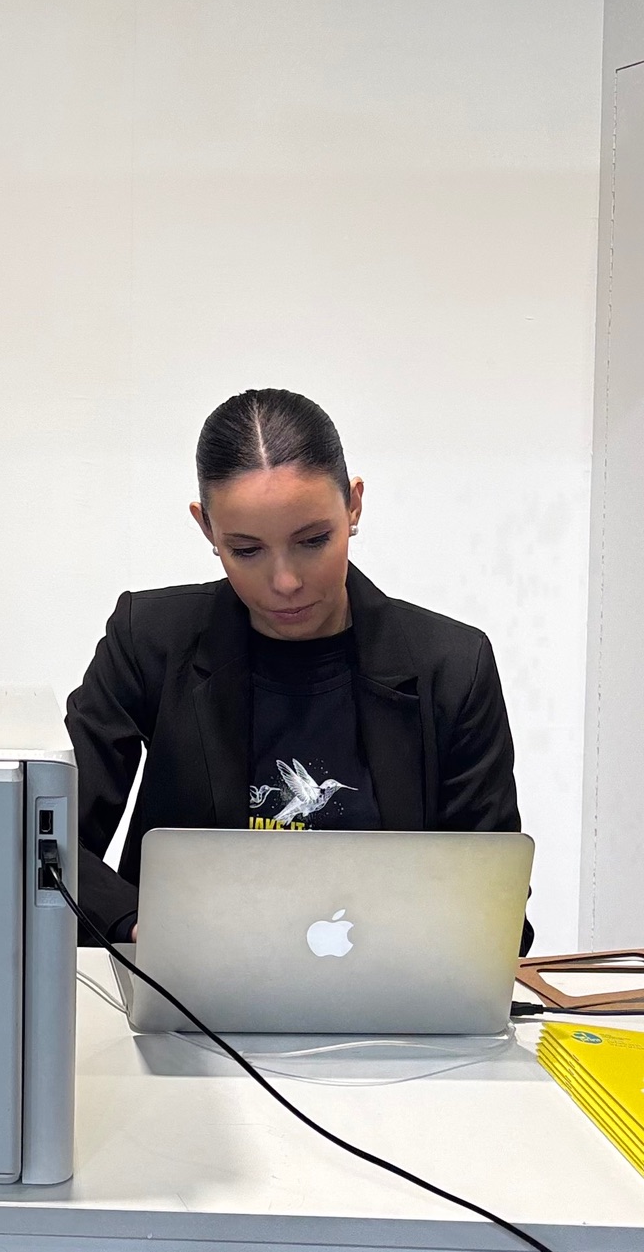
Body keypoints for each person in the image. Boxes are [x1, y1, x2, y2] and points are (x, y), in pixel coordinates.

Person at [65, 387, 524, 946]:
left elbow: (494, 898)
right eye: (247, 550)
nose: (285, 582)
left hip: (393, 1009)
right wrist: (138, 926)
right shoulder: (149, 639)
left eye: (312, 541)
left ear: (353, 506)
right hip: (182, 1003)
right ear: (206, 528)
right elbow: (48, 842)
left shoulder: (451, 666)